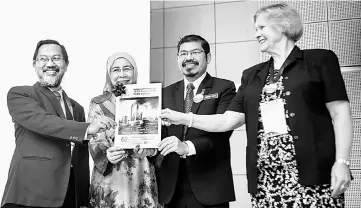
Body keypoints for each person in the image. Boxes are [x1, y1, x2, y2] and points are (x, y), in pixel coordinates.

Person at [161, 3, 353, 207]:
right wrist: (181, 117)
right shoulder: (252, 75)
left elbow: (340, 114)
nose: (256, 34)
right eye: (256, 29)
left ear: (284, 25)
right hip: (266, 177)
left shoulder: (319, 60)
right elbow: (227, 121)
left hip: (311, 172)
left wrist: (342, 162)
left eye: (262, 27)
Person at [1, 39, 114, 208]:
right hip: (29, 193)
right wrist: (87, 128)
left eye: (56, 58)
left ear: (66, 64)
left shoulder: (77, 108)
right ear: (34, 64)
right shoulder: (20, 94)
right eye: (43, 59)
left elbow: (80, 156)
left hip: (69, 194)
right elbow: (43, 121)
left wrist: (82, 196)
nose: (50, 64)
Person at [156, 34, 236, 208]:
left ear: (208, 57)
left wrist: (187, 147)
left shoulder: (224, 88)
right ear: (177, 59)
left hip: (209, 184)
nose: (188, 58)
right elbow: (158, 134)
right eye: (183, 53)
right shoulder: (165, 93)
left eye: (195, 52)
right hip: (172, 188)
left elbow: (222, 131)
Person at [88, 52, 160, 208]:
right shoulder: (98, 103)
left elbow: (156, 138)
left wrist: (150, 150)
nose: (122, 74)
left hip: (141, 171)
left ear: (134, 72)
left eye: (127, 68)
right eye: (115, 70)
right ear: (109, 74)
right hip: (111, 176)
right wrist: (106, 154)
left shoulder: (148, 99)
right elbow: (93, 139)